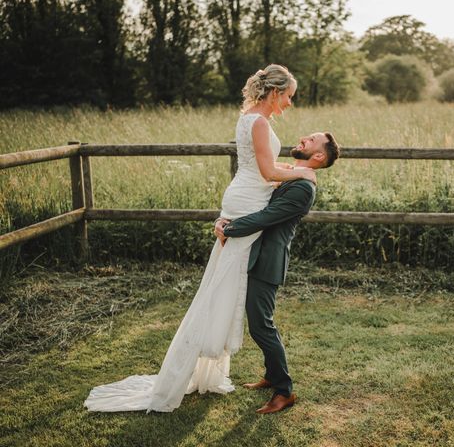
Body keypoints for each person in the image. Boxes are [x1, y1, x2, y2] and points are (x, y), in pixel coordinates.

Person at [84, 65, 319, 413]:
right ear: (274, 92)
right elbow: (269, 173)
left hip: (244, 199)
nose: (289, 103)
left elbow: (264, 175)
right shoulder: (259, 123)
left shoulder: (250, 119)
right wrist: (304, 171)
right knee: (228, 293)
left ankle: (256, 368)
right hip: (246, 203)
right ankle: (260, 373)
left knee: (225, 289)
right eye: (288, 96)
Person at [214, 131, 340, 414]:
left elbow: (265, 217)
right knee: (260, 323)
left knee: (261, 326)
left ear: (319, 156)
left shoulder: (302, 189)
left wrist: (229, 229)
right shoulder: (294, 175)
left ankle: (284, 391)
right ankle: (271, 376)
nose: (303, 139)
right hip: (254, 255)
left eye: (310, 140)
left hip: (268, 261)